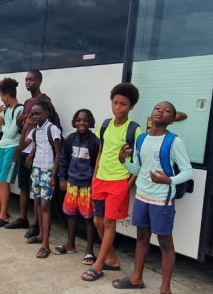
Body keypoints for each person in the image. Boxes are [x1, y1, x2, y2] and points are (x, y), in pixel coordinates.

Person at [113, 101, 193, 294]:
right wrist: (123, 162)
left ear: (171, 120)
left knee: (165, 242)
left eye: (167, 111)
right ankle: (136, 278)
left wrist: (169, 180)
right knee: (141, 237)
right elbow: (139, 169)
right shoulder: (141, 139)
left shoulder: (174, 142)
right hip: (142, 195)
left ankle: (166, 290)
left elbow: (187, 171)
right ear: (151, 113)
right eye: (158, 108)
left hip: (162, 199)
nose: (161, 112)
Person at [81, 82, 141, 282]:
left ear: (131, 106)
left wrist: (129, 184)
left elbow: (139, 160)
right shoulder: (105, 125)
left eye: (123, 104)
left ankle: (98, 265)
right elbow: (101, 151)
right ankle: (112, 259)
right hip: (100, 179)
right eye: (115, 103)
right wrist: (94, 176)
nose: (118, 107)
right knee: (97, 220)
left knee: (108, 222)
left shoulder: (134, 130)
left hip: (119, 181)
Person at [9, 70, 58, 236]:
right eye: (26, 80)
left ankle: (37, 225)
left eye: (31, 79)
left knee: (37, 193)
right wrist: (20, 122)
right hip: (26, 147)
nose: (27, 82)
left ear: (39, 81)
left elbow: (46, 128)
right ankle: (23, 218)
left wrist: (33, 151)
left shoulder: (45, 101)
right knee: (24, 186)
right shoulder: (27, 102)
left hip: (37, 152)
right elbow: (23, 125)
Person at [55, 109, 99, 264]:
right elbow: (63, 159)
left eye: (85, 120)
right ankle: (70, 244)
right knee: (71, 215)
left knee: (88, 219)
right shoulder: (70, 139)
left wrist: (94, 183)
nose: (82, 123)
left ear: (90, 122)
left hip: (87, 186)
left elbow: (97, 164)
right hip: (72, 184)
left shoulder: (94, 142)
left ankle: (89, 251)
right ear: (74, 122)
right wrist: (62, 178)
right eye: (79, 120)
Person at [22, 102, 63, 259]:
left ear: (46, 113)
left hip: (47, 171)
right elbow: (25, 145)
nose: (34, 116)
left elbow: (58, 152)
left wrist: (54, 175)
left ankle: (45, 244)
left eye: (37, 113)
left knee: (45, 205)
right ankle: (40, 235)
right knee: (38, 202)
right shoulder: (35, 130)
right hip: (36, 170)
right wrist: (26, 127)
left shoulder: (52, 129)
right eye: (32, 114)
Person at [0, 77, 24, 228]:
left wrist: (2, 122)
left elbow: (10, 133)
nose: (1, 100)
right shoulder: (7, 109)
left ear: (6, 96)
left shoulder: (19, 109)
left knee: (4, 181)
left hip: (12, 147)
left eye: (1, 96)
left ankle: (3, 214)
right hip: (3, 146)